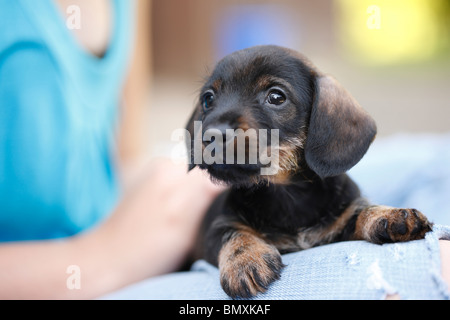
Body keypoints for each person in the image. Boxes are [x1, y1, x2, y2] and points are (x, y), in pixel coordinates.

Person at [0, 0, 449, 300]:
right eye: (209, 102)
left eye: (275, 97)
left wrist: (367, 218)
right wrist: (99, 259)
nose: (216, 125)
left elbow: (120, 157)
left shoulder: (124, 6)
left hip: (147, 202)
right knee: (422, 269)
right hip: (75, 273)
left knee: (436, 163)